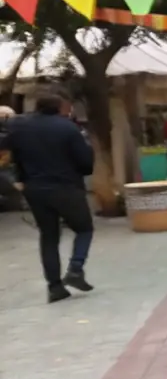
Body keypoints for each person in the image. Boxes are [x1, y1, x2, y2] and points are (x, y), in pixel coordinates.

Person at [3, 87, 97, 303]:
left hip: (35, 190)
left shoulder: (20, 128)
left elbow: (7, 148)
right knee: (84, 228)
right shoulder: (68, 129)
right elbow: (85, 164)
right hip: (66, 187)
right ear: (59, 108)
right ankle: (75, 268)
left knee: (49, 236)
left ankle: (54, 287)